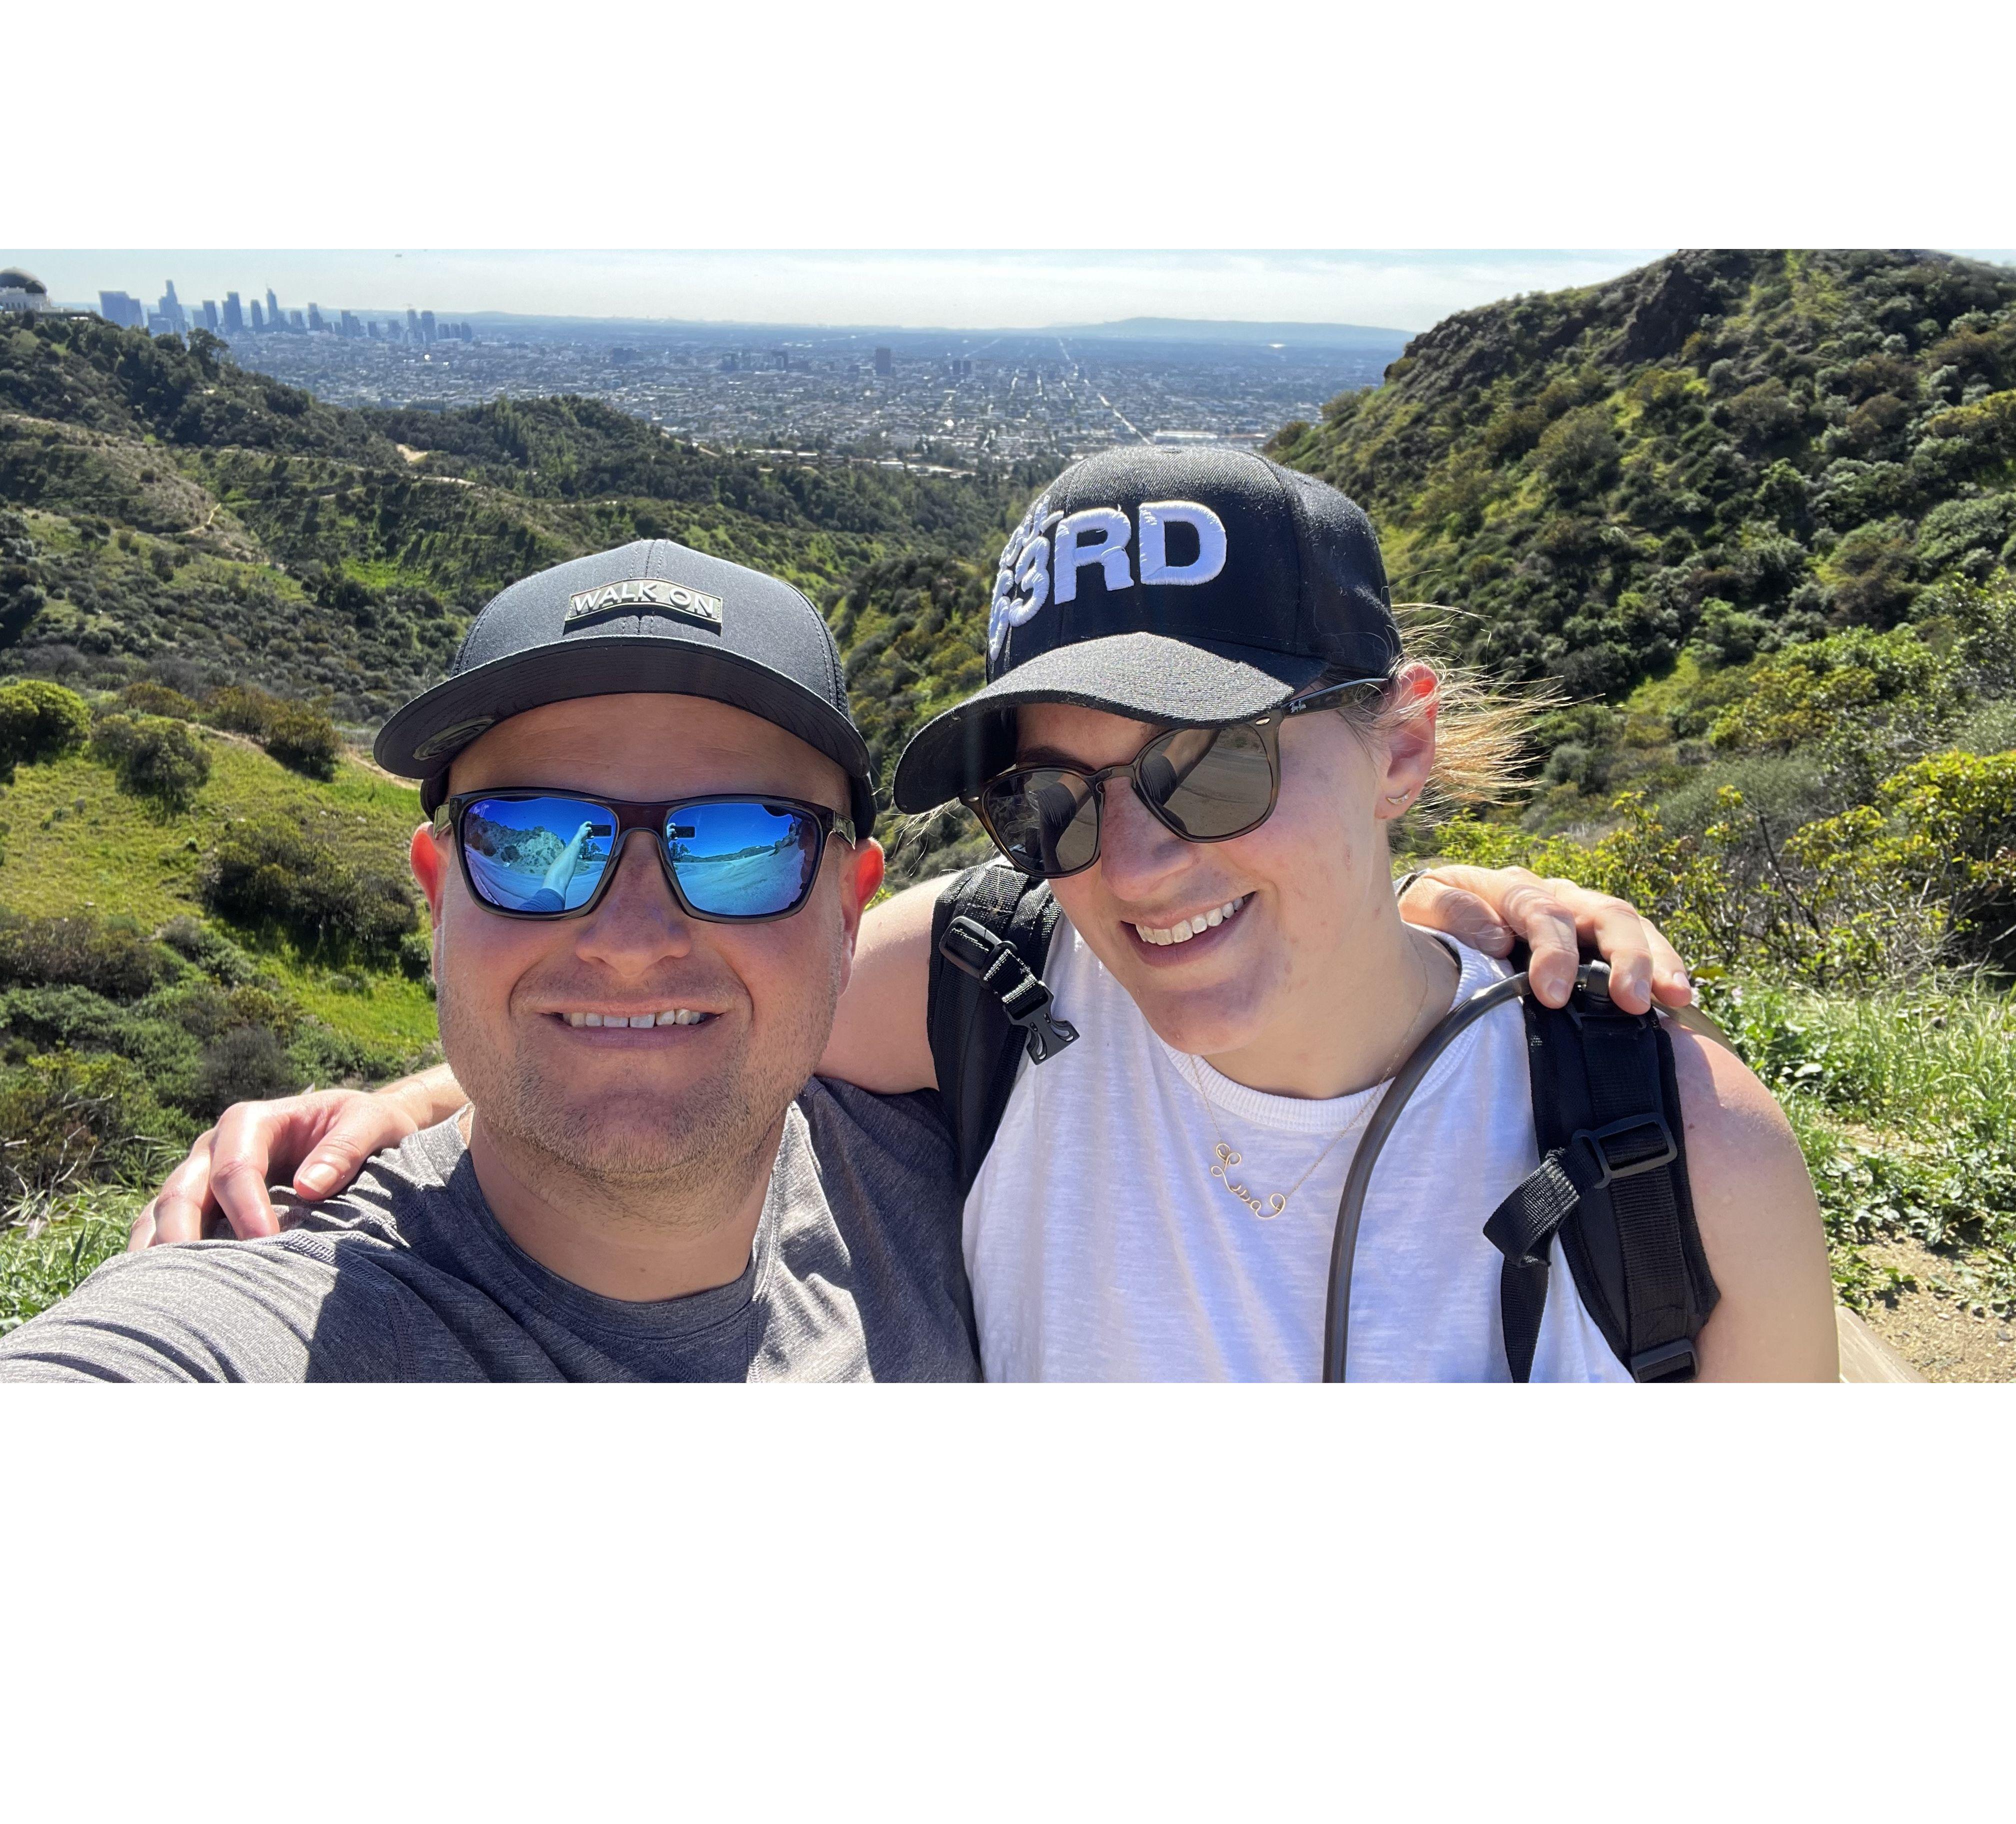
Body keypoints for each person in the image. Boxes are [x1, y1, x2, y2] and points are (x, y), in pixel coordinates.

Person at [126, 449, 1838, 1381]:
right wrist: (395, 1107)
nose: (1141, 865)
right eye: (1054, 800)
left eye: (1218, 769)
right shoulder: (993, 981)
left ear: (1397, 739)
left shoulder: (1669, 1150)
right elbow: (667, 999)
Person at [0, 542, 979, 1380]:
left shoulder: (959, 1147)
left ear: (850, 911)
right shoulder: (272, 1312)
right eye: (533, 838)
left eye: (744, 847)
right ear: (439, 897)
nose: (631, 943)